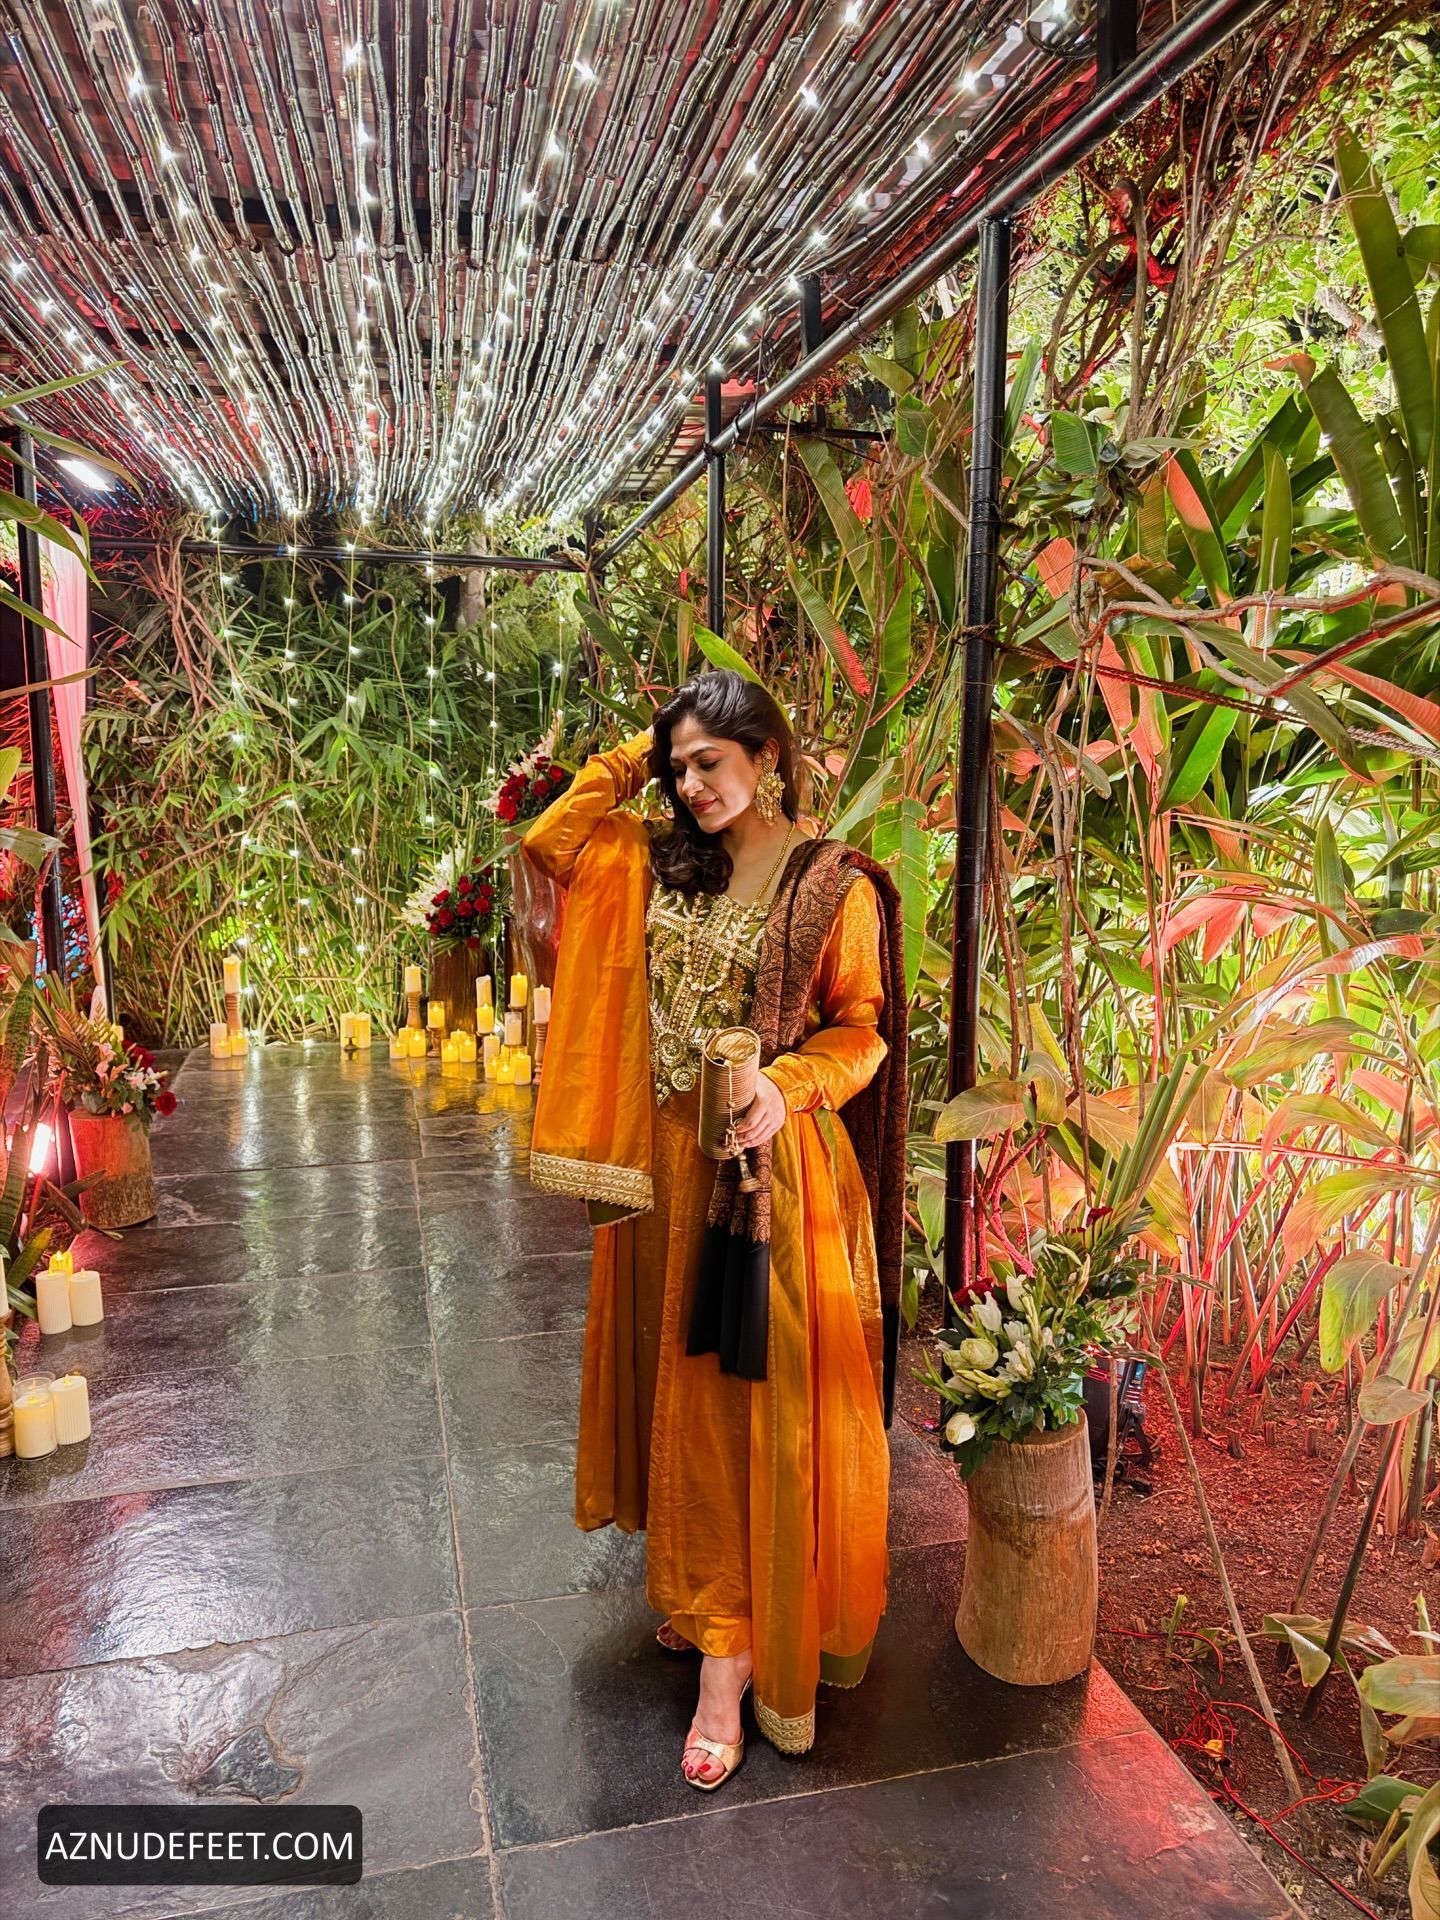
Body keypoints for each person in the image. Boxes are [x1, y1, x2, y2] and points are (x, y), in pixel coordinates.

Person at [521, 668, 907, 1789]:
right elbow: (549, 843)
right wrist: (629, 761)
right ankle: (704, 1598)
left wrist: (786, 1086)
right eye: (677, 767)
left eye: (710, 763)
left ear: (767, 755)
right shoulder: (658, 857)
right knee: (673, 1395)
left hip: (762, 1175)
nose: (691, 786)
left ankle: (728, 1667)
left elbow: (862, 1030)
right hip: (662, 1170)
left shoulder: (830, 883)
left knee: (737, 1410)